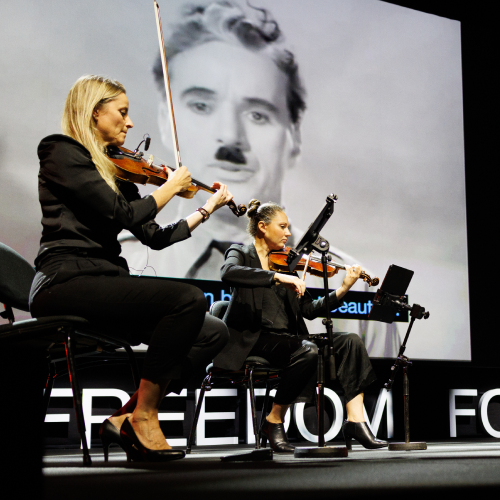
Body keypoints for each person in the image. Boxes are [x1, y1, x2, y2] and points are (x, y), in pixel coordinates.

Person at [118, 1, 400, 358]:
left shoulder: (359, 313)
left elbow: (310, 312)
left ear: (293, 134)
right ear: (165, 118)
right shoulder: (126, 260)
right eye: (202, 105)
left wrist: (342, 287)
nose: (230, 138)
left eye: (257, 113)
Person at [29, 74, 232, 462]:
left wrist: (206, 209)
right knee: (187, 298)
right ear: (94, 113)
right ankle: (145, 417)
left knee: (213, 332)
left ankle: (125, 417)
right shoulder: (60, 151)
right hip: (65, 280)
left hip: (104, 284)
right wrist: (169, 188)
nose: (130, 122)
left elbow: (154, 235)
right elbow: (119, 212)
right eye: (122, 112)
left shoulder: (116, 171)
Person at [214, 200, 388, 452]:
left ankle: (356, 421)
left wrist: (343, 289)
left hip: (289, 339)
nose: (288, 233)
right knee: (306, 350)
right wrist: (276, 277)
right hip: (253, 338)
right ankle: (274, 420)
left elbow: (309, 309)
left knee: (350, 341)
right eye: (282, 227)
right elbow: (227, 273)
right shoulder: (241, 253)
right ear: (262, 227)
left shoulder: (288, 264)